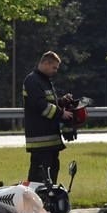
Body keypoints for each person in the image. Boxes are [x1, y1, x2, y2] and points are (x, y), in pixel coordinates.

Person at [22, 51, 73, 184]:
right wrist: (62, 114)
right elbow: (40, 106)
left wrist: (62, 101)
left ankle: (49, 203)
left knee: (51, 176)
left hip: (50, 142)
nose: (55, 71)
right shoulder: (32, 80)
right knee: (39, 178)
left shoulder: (44, 81)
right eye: (54, 67)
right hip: (40, 141)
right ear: (45, 63)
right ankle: (37, 203)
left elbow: (50, 103)